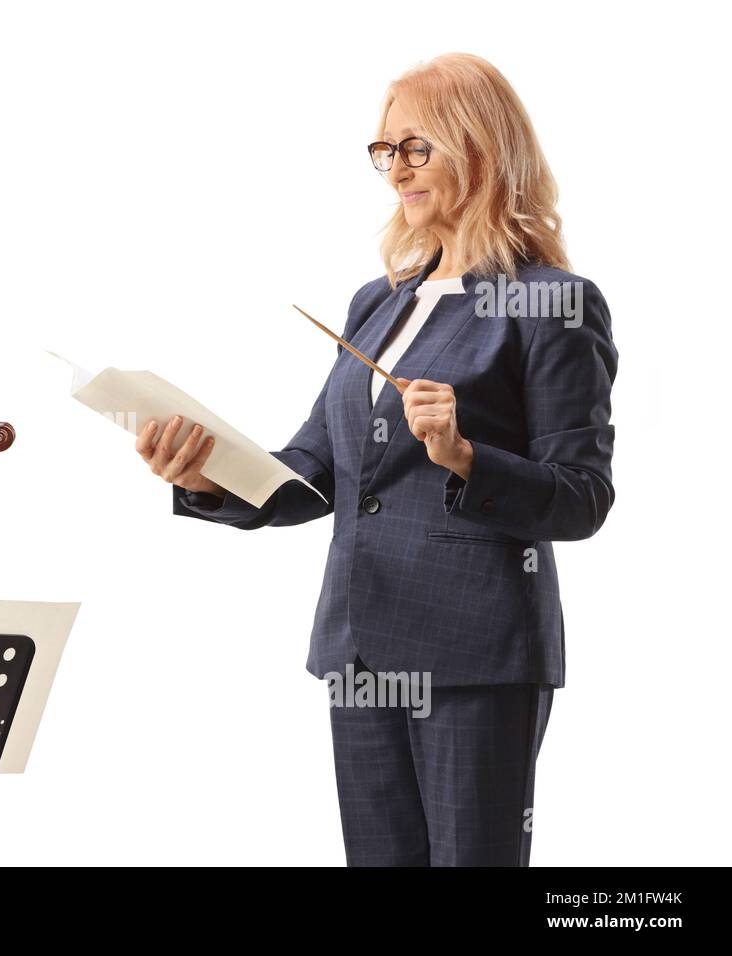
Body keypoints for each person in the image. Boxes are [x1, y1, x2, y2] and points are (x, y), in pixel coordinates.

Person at [135, 54, 617, 865]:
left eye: (415, 146)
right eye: (384, 149)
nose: (394, 168)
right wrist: (205, 477)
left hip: (474, 654)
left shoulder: (551, 303)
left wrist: (465, 457)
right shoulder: (379, 300)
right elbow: (315, 471)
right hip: (360, 649)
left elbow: (582, 497)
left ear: (480, 147)